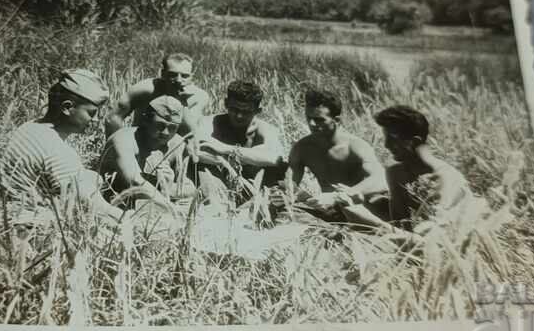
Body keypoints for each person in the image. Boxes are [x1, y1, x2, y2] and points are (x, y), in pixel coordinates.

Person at [0, 69, 123, 225]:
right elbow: (97, 208)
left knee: (92, 178)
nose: (96, 120)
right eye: (91, 113)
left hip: (7, 210)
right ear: (67, 108)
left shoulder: (31, 127)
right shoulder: (57, 149)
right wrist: (132, 219)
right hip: (31, 224)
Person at [286, 88, 391, 229]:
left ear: (337, 120)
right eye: (308, 118)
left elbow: (381, 180)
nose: (311, 124)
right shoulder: (302, 148)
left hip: (361, 210)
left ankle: (386, 232)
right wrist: (284, 195)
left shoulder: (355, 146)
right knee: (286, 213)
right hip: (330, 212)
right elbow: (290, 185)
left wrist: (337, 196)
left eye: (319, 120)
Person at [373, 105, 483, 228]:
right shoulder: (395, 173)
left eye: (392, 139)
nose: (386, 145)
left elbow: (439, 225)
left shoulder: (446, 176)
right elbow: (399, 223)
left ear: (415, 142)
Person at [193, 80, 287, 200]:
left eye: (246, 112)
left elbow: (275, 159)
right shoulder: (208, 122)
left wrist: (224, 148)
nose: (239, 116)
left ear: (258, 111)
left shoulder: (266, 129)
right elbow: (197, 153)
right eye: (234, 109)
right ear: (226, 104)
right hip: (218, 185)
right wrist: (252, 157)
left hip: (255, 188)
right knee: (202, 169)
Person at [98, 95, 189, 204]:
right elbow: (134, 182)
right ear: (146, 120)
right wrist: (167, 198)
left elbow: (192, 188)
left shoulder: (177, 144)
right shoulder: (123, 139)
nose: (166, 133)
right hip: (114, 202)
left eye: (172, 128)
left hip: (153, 203)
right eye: (160, 125)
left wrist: (169, 187)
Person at [104, 53, 209, 137]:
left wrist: (182, 103)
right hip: (141, 142)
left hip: (175, 147)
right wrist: (115, 146)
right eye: (172, 75)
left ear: (192, 77)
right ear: (163, 74)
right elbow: (113, 117)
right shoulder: (145, 89)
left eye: (184, 76)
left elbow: (191, 134)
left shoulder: (199, 97)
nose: (178, 80)